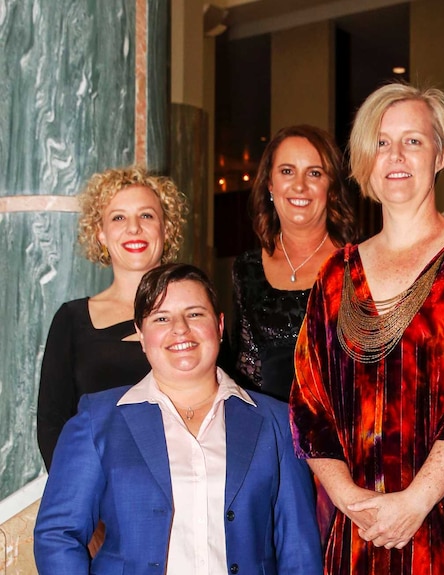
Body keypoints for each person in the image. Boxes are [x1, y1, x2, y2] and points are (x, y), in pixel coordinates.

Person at [289, 83, 444, 575]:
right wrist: (352, 501)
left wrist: (415, 502)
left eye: (413, 141)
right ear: (364, 158)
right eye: (381, 142)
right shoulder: (336, 274)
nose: (395, 155)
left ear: (440, 154)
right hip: (356, 532)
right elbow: (309, 405)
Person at [34, 263, 323, 575]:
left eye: (195, 313)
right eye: (161, 318)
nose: (180, 328)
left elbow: (299, 551)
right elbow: (57, 535)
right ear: (141, 335)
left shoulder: (277, 422)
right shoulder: (97, 420)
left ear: (220, 326)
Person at [38, 166, 187, 471]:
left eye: (146, 216)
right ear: (100, 233)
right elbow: (52, 425)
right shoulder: (72, 319)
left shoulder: (195, 312)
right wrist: (82, 498)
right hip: (101, 496)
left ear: (167, 229)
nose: (133, 228)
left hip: (188, 484)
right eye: (118, 217)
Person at [231, 125, 357, 401]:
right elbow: (243, 369)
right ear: (270, 184)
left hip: (341, 436)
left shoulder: (360, 265)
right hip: (270, 434)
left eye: (314, 173)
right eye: (287, 171)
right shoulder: (247, 268)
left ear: (332, 188)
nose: (299, 185)